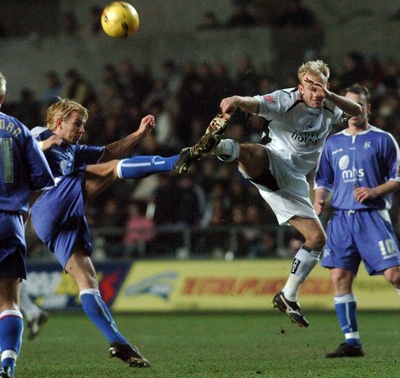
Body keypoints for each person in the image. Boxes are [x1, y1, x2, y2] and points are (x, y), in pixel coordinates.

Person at [175, 59, 362, 327]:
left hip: (295, 181)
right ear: (300, 87)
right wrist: (236, 99)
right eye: (310, 87)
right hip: (275, 159)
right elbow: (256, 103)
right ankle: (208, 148)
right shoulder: (287, 99)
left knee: (317, 238)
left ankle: (288, 295)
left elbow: (357, 111)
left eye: (319, 86)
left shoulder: (331, 105)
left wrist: (327, 93)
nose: (314, 92)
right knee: (254, 152)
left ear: (327, 86)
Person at [29, 98, 183, 368]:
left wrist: (138, 134)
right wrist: (42, 145)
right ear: (58, 123)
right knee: (111, 171)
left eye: (83, 126)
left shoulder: (71, 151)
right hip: (46, 204)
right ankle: (175, 161)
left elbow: (108, 151)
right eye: (77, 124)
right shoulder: (38, 133)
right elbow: (15, 151)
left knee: (87, 279)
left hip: (59, 219)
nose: (81, 131)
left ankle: (118, 341)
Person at [313, 84, 400, 357]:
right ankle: (351, 342)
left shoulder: (384, 139)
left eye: (358, 104)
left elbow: (397, 177)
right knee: (339, 277)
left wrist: (374, 191)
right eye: (347, 105)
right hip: (340, 219)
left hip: (372, 217)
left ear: (368, 108)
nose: (352, 110)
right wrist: (318, 199)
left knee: (395, 275)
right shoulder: (333, 142)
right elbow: (323, 179)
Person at [0, 72, 55, 378]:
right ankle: (6, 364)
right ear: (2, 98)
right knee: (8, 300)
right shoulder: (19, 129)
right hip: (9, 221)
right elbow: (42, 179)